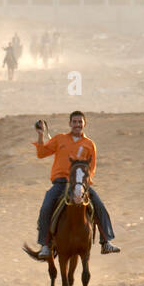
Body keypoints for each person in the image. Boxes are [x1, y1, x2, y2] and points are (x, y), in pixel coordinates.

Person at [31, 110, 120, 259]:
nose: (77, 125)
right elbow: (41, 153)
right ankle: (45, 245)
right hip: (61, 182)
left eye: (80, 122)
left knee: (99, 205)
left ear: (84, 124)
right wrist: (40, 135)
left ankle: (106, 241)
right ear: (70, 124)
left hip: (80, 184)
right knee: (46, 206)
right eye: (75, 122)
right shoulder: (60, 139)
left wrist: (83, 185)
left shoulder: (89, 144)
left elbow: (91, 168)